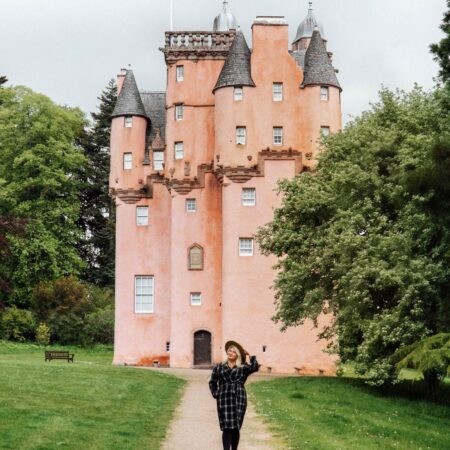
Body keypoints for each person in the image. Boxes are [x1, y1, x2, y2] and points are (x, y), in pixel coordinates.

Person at [209, 340, 260, 450]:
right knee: (227, 426)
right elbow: (212, 382)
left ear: (237, 355)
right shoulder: (219, 367)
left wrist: (249, 355)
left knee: (236, 427)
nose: (230, 352)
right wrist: (216, 393)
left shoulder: (243, 368)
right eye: (229, 350)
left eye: (233, 351)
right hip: (224, 398)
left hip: (239, 397)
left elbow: (255, 367)